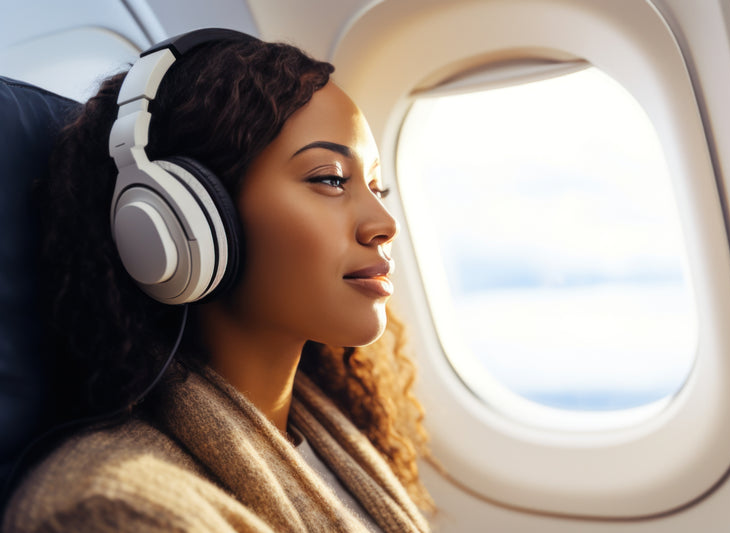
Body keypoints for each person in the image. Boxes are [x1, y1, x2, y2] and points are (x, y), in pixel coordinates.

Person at [2, 29, 432, 533]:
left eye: (375, 186)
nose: (385, 223)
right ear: (182, 219)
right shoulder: (111, 509)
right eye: (331, 179)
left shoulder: (331, 438)